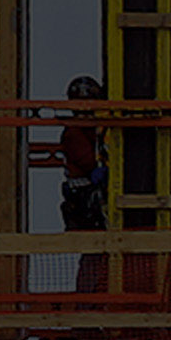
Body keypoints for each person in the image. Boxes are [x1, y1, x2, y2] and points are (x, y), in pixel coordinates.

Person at [59, 76, 107, 232]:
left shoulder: (96, 130)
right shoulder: (73, 133)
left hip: (90, 192)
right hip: (83, 196)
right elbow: (88, 162)